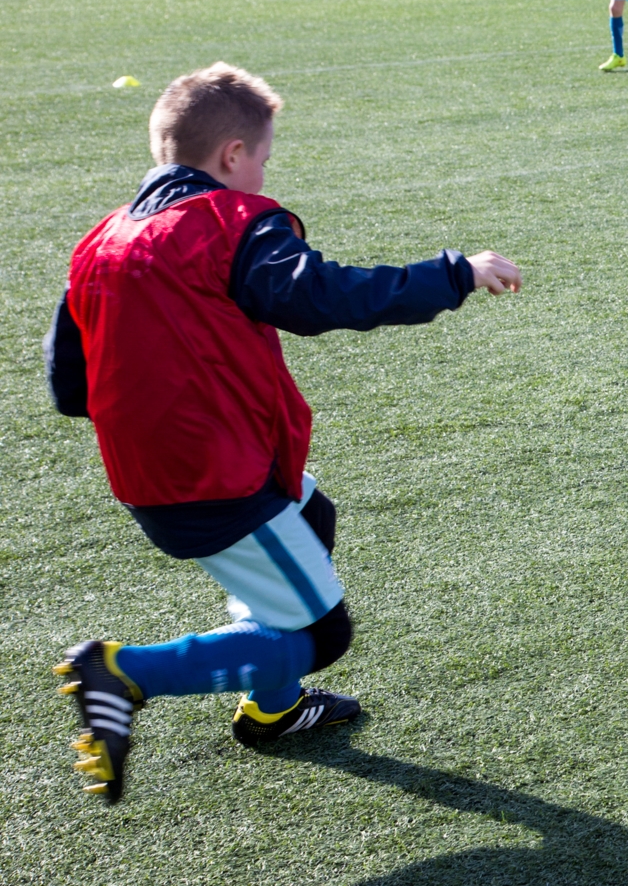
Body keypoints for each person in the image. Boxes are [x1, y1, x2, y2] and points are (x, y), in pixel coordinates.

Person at [44, 63, 523, 803]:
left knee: (312, 511)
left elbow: (69, 390)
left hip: (159, 478)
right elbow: (319, 294)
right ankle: (126, 671)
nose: (264, 171)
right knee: (322, 634)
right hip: (218, 482)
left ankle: (273, 706)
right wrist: (454, 273)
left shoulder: (98, 242)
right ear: (233, 155)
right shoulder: (229, 225)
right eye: (263, 156)